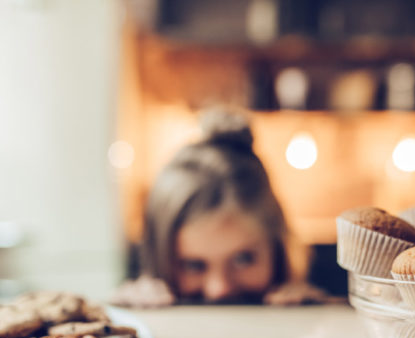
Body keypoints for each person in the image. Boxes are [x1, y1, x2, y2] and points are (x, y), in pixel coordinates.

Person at [110, 108, 334, 306]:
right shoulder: (135, 316)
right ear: (159, 256)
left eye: (243, 259)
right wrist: (130, 317)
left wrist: (312, 320)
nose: (219, 290)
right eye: (193, 265)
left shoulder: (309, 315)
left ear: (277, 249)